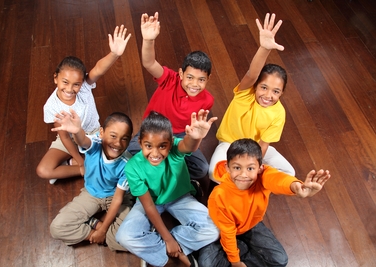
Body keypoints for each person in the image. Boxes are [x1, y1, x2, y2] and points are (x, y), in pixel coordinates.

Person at [198, 138, 331, 267]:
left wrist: (297, 187)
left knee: (280, 260)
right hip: (221, 231)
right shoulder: (219, 196)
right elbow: (227, 232)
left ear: (260, 169)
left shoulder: (264, 175)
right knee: (206, 263)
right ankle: (239, 252)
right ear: (227, 168)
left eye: (250, 168)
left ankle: (240, 250)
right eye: (237, 168)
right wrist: (235, 262)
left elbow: (278, 179)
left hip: (250, 225)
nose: (243, 175)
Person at [116, 110, 220, 267]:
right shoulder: (132, 167)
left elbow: (188, 146)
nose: (155, 153)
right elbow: (149, 205)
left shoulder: (175, 149)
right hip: (151, 201)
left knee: (214, 229)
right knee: (124, 236)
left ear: (171, 143)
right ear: (140, 143)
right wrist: (168, 239)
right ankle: (177, 251)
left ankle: (160, 249)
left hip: (180, 197)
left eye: (162, 146)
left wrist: (196, 137)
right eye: (148, 146)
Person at [36, 25, 131, 184]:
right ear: (55, 78)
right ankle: (81, 167)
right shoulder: (51, 106)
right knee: (43, 170)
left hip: (93, 134)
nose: (70, 89)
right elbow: (65, 137)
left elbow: (99, 69)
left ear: (82, 83)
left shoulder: (85, 87)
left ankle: (69, 167)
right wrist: (80, 163)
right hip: (71, 140)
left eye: (76, 84)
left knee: (120, 159)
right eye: (65, 82)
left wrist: (114, 54)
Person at [127, 12, 214, 180]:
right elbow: (149, 63)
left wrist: (192, 137)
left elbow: (194, 134)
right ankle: (165, 167)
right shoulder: (169, 79)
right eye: (190, 77)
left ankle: (162, 166)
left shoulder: (208, 100)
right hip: (154, 129)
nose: (194, 84)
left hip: (180, 137)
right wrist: (148, 39)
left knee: (202, 169)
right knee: (129, 155)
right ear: (180, 73)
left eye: (201, 80)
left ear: (208, 79)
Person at [209, 13, 295, 183]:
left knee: (289, 172)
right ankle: (243, 181)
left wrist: (253, 166)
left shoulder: (279, 113)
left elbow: (263, 145)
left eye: (276, 91)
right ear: (255, 86)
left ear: (282, 93)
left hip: (254, 149)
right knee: (213, 172)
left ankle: (246, 180)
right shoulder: (244, 93)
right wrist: (265, 48)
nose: (268, 95)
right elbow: (252, 73)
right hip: (230, 143)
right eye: (264, 87)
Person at [49, 109, 134, 251]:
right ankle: (96, 227)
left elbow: (117, 200)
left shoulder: (128, 164)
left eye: (124, 138)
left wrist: (102, 230)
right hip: (91, 194)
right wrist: (77, 131)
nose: (118, 143)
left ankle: (98, 228)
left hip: (117, 197)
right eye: (113, 136)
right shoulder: (95, 142)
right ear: (101, 133)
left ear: (129, 139)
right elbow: (83, 140)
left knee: (121, 241)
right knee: (57, 228)